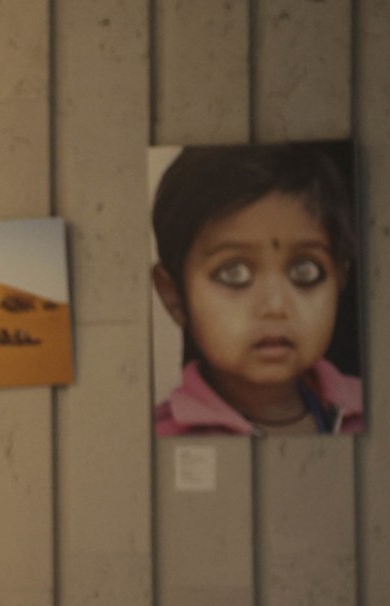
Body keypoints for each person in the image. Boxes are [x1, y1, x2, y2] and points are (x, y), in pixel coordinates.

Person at [151, 143, 364, 437]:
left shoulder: (372, 410)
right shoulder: (156, 441)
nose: (275, 306)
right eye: (233, 272)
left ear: (340, 278)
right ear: (173, 296)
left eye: (305, 270)